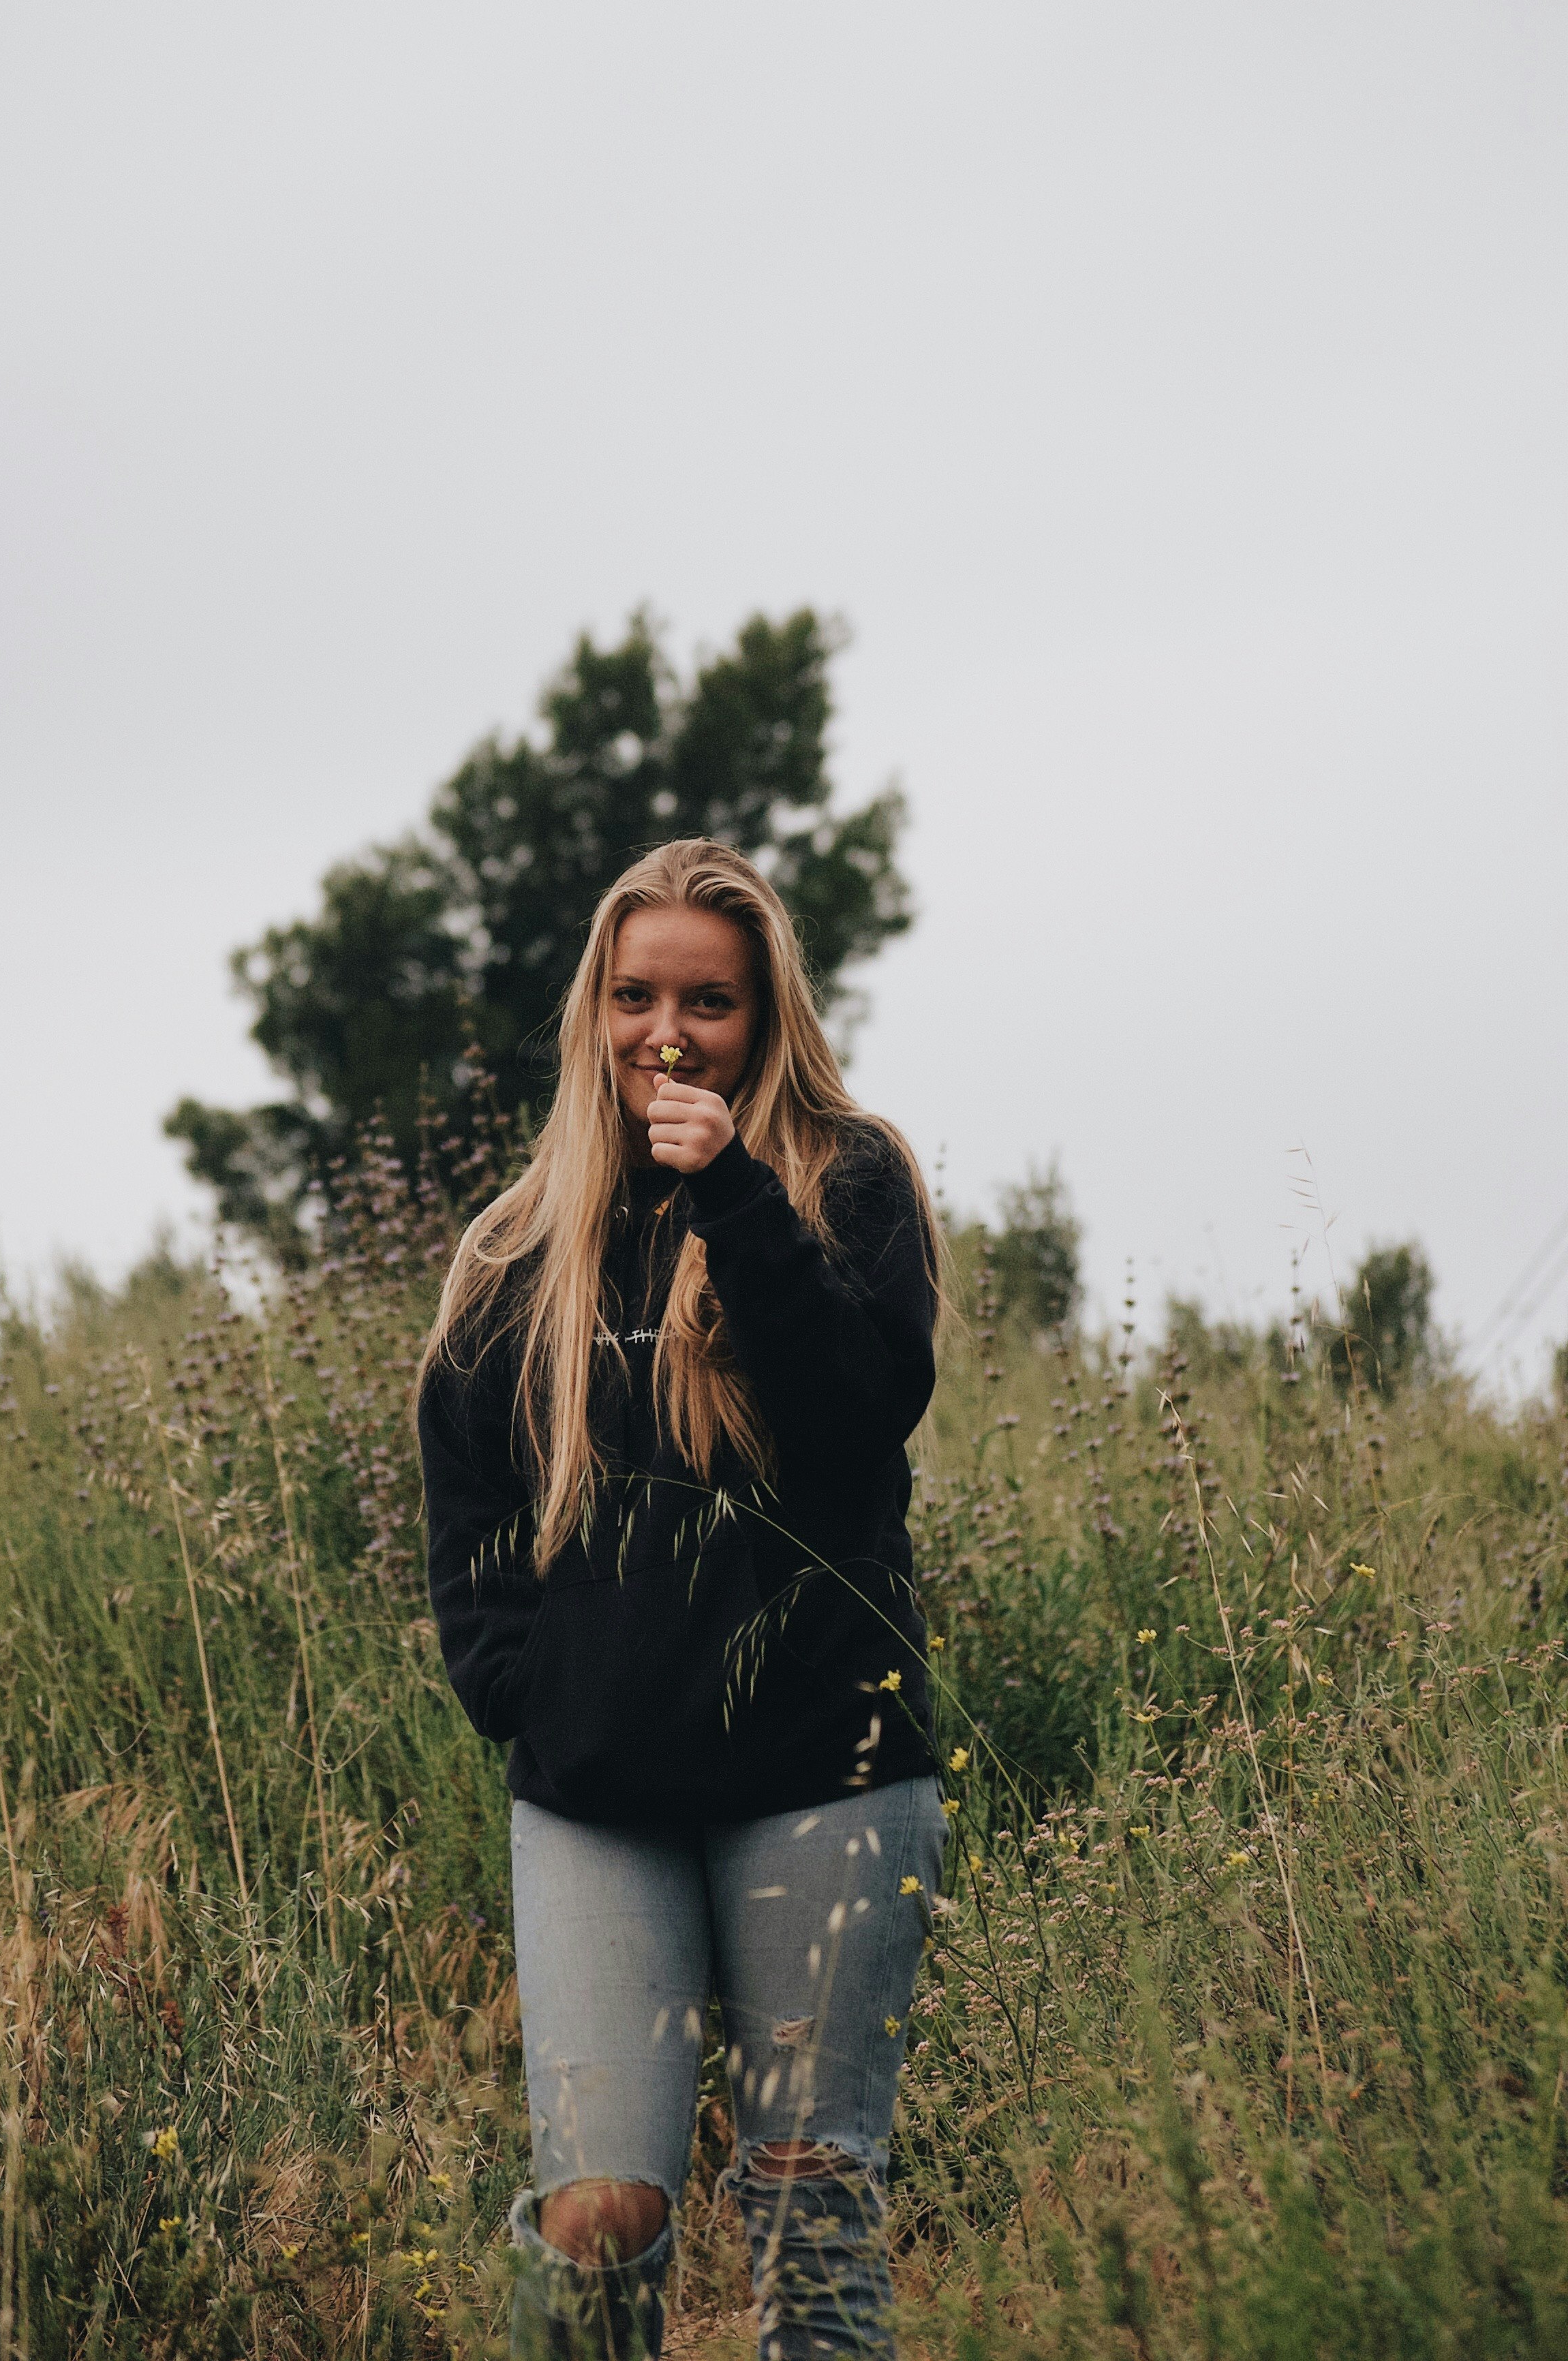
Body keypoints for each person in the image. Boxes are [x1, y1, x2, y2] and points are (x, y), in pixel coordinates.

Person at [417, 839, 946, 2360]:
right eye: (637, 995)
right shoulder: (521, 1244)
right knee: (597, 2216)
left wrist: (728, 1188)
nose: (669, 1030)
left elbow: (861, 1406)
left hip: (828, 1775)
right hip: (599, 1797)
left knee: (809, 2192)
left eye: (708, 1000)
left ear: (764, 1011)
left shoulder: (849, 1179)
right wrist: (526, 1689)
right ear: (596, 1009)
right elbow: (467, 1498)